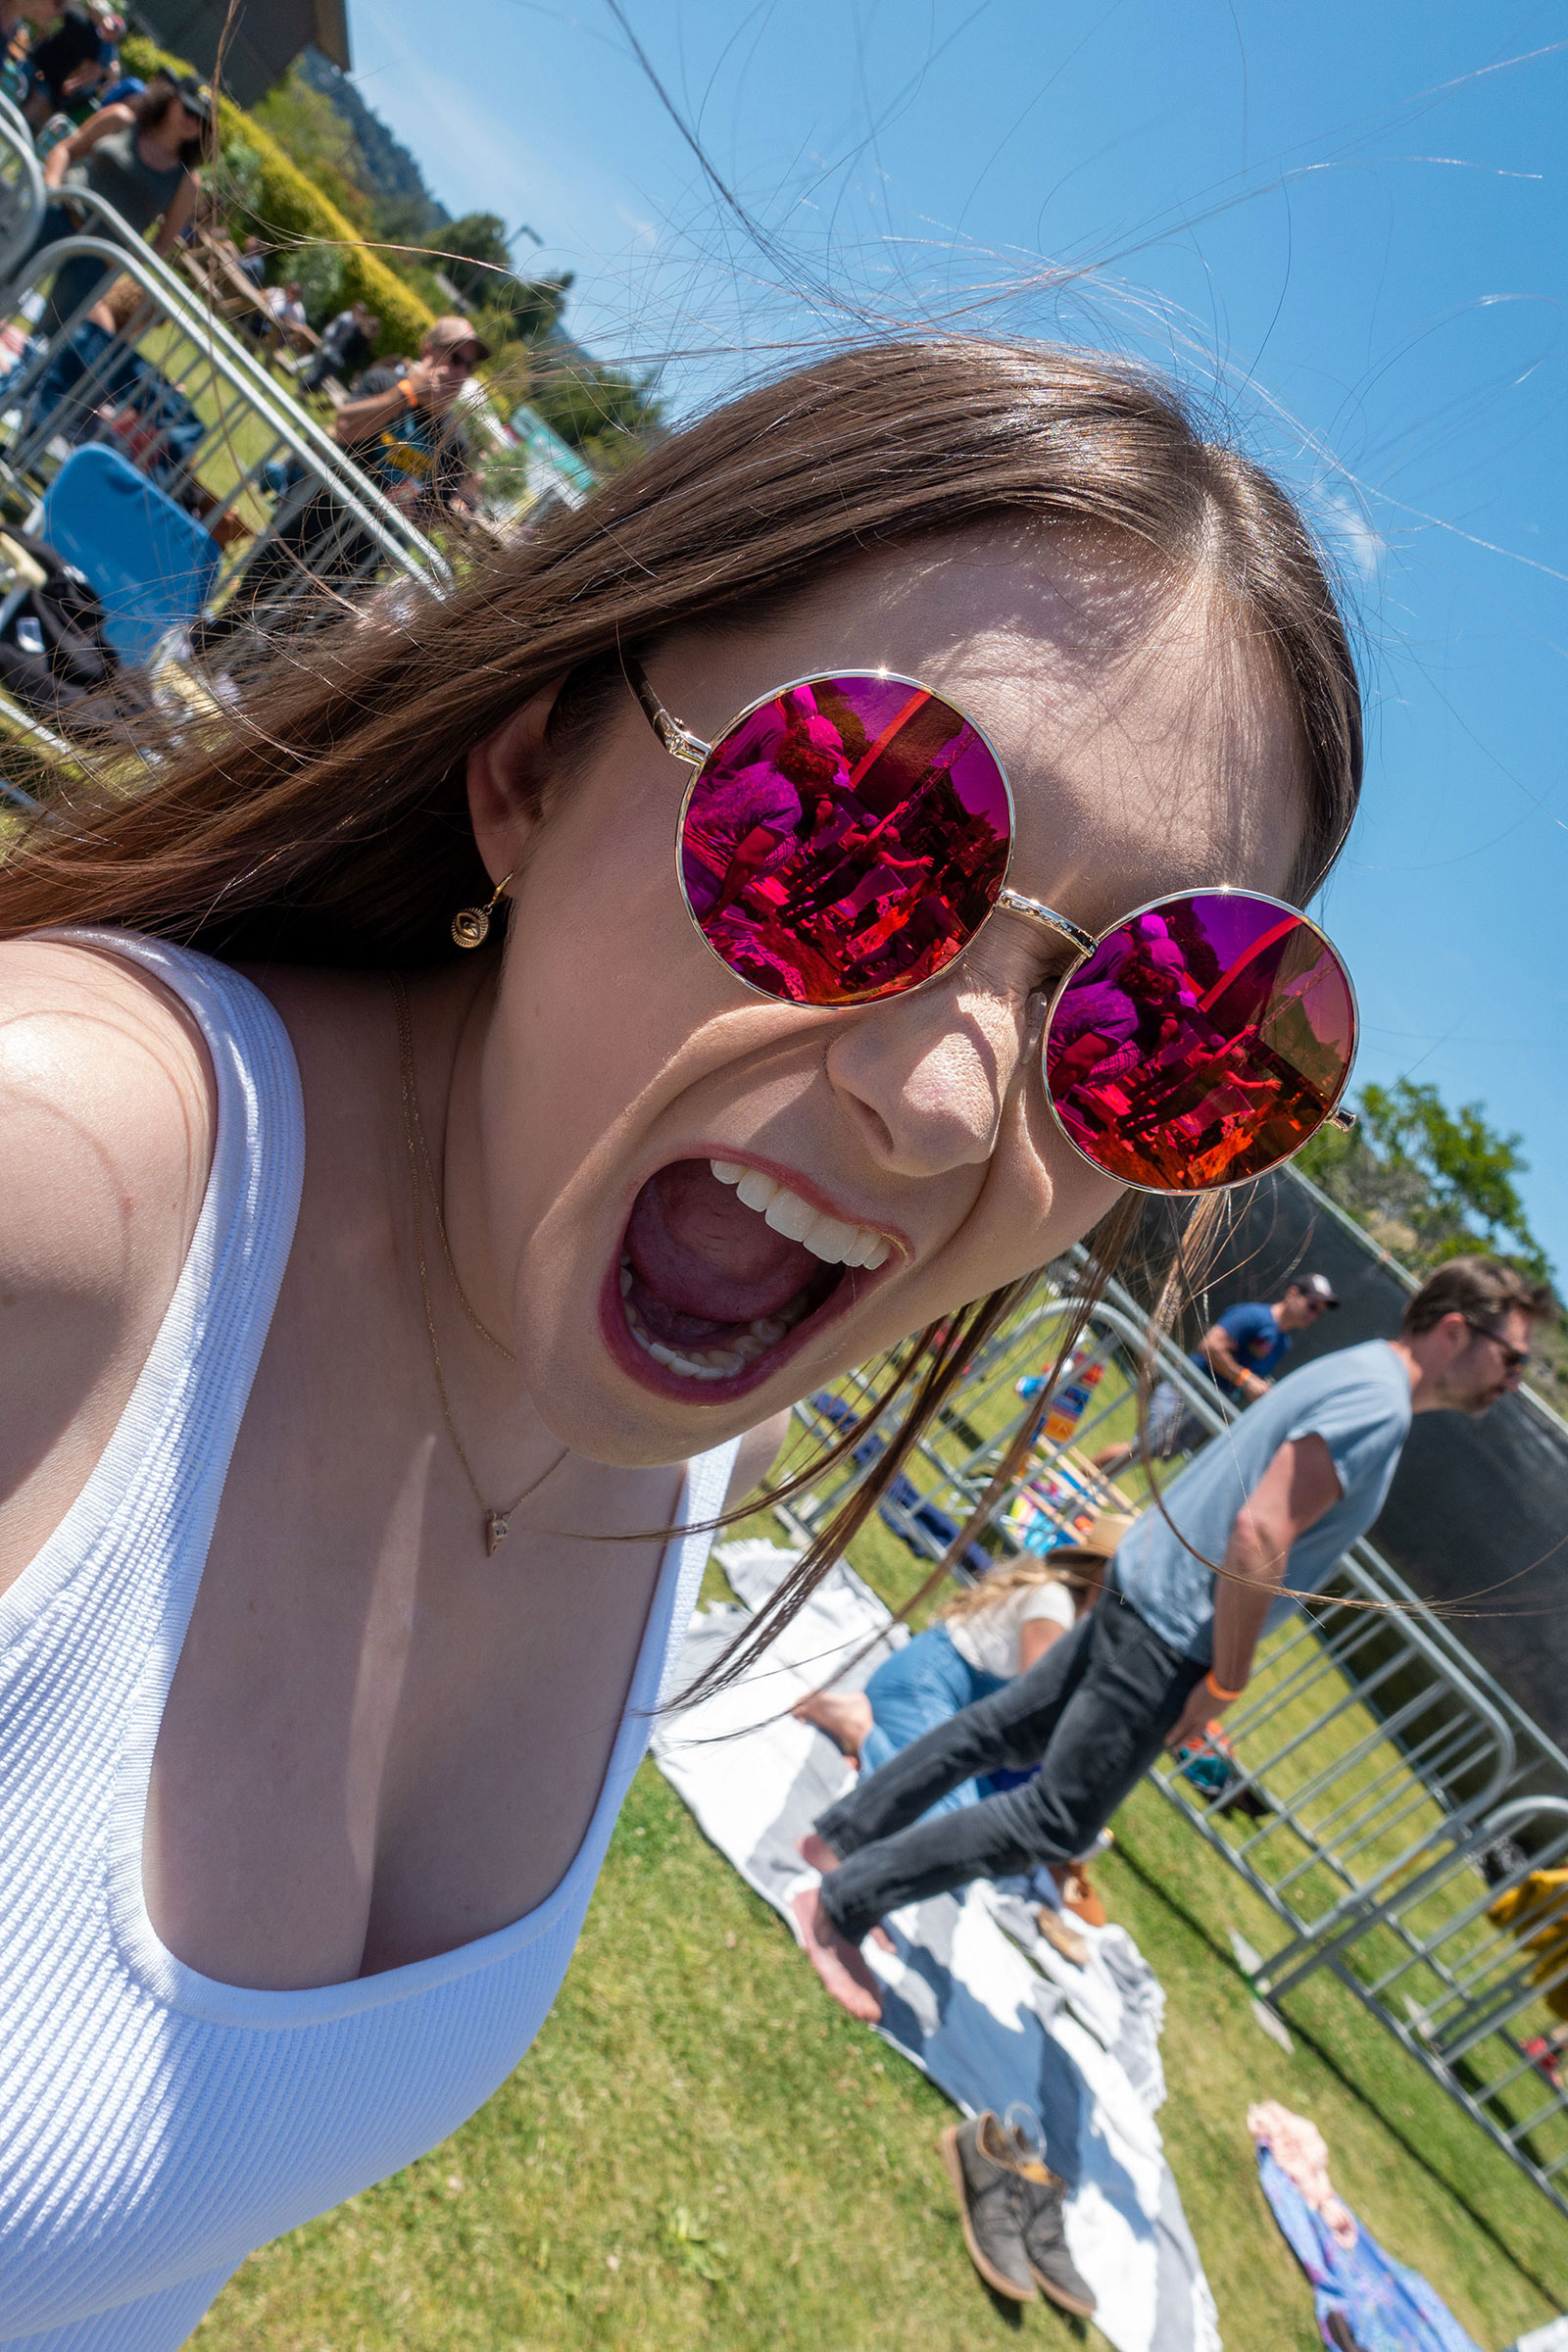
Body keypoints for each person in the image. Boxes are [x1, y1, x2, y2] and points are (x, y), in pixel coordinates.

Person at [0, 338, 1365, 2346]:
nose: (944, 1099)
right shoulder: (58, 1190)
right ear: (534, 766)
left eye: (1161, 1026)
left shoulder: (678, 1459)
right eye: (856, 840)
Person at [799, 1256, 1551, 2022]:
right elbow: (1259, 1531)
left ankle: (838, 1842)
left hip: (1145, 1584)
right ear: (1456, 1329)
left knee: (1005, 1731)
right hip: (1167, 1629)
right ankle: (840, 1906)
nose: (1514, 1379)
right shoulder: (1378, 1403)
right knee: (1055, 1818)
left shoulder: (1361, 1375)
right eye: (1513, 1357)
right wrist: (1228, 1674)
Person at [195, 316, 486, 657]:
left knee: (291, 649)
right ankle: (199, 661)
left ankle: (235, 696)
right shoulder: (385, 383)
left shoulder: (455, 440)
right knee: (246, 604)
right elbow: (345, 427)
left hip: (358, 562)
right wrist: (406, 394)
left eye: (470, 365)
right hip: (309, 522)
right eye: (455, 358)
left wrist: (413, 514)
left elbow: (434, 514)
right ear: (428, 351)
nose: (461, 372)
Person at [793, 1518, 1122, 1799]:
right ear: (1102, 1576)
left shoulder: (1076, 1619)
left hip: (936, 1698)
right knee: (943, 1802)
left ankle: (874, 1750)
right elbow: (1041, 1697)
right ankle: (858, 1727)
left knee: (961, 1801)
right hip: (921, 1686)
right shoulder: (1056, 1604)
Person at [1094, 1271, 1340, 1474]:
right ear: (1293, 1294)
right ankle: (1076, 1479)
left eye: (1320, 1311)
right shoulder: (1254, 1316)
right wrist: (1246, 1380)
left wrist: (1256, 1389)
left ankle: (1083, 1488)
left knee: (1145, 1454)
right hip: (1187, 1391)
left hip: (1204, 1407)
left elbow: (1248, 1375)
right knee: (1140, 1448)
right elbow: (1211, 1346)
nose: (1315, 1314)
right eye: (1312, 1305)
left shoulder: (1283, 1342)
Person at [31, 73, 214, 331]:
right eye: (189, 110)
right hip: (58, 215)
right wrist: (50, 189)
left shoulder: (187, 182)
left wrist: (122, 263)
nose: (192, 122)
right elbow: (67, 149)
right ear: (172, 100)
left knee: (48, 335)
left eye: (202, 121)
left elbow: (163, 243)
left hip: (99, 257)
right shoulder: (121, 118)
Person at [302, 298, 379, 394]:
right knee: (318, 371)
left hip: (339, 359)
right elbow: (344, 341)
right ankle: (302, 389)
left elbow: (357, 355)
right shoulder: (355, 328)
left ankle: (303, 388)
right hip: (334, 353)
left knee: (320, 372)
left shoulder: (365, 340)